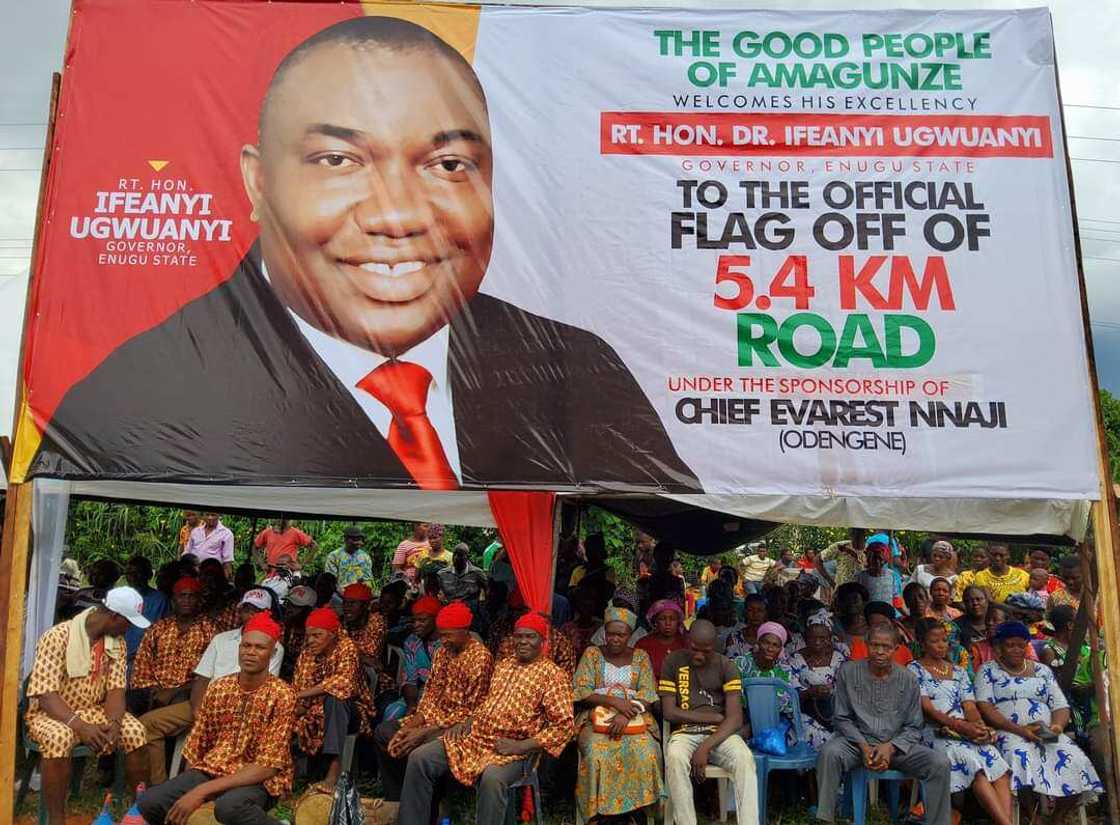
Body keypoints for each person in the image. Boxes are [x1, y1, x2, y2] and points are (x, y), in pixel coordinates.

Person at [31, 16, 701, 494]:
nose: (400, 215)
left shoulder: (574, 371)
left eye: (447, 163)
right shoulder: (135, 402)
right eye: (339, 160)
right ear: (258, 184)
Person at [398, 612, 574, 824]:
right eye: (519, 637)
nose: (523, 642)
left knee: (492, 778)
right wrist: (467, 723)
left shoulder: (554, 676)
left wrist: (521, 746)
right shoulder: (504, 666)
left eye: (530, 637)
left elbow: (563, 727)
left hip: (513, 749)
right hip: (476, 738)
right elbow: (487, 703)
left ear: (542, 641)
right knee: (420, 758)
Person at [138, 613, 296, 825]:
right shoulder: (220, 688)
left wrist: (201, 791)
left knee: (229, 808)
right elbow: (197, 746)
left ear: (273, 652)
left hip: (259, 779)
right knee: (151, 801)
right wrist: (188, 790)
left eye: (259, 648)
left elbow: (267, 767)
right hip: (213, 769)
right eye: (246, 646)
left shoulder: (282, 696)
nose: (250, 652)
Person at [26, 587, 150, 825]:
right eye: (128, 622)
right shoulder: (57, 636)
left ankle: (140, 810)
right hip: (50, 713)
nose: (130, 628)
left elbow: (115, 690)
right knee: (59, 737)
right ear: (114, 616)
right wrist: (80, 726)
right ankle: (56, 819)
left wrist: (114, 723)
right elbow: (46, 695)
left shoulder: (117, 642)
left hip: (93, 710)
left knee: (136, 731)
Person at [816, 624, 952, 825]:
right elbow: (841, 718)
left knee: (939, 763)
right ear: (866, 645)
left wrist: (890, 747)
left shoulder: (908, 679)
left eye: (886, 647)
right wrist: (863, 747)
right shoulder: (848, 671)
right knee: (829, 752)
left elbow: (914, 726)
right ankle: (825, 819)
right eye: (875, 645)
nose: (880, 651)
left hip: (896, 746)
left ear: (896, 649)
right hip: (856, 743)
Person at [371, 602, 492, 821]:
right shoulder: (442, 652)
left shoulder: (480, 658)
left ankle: (422, 812)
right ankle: (399, 801)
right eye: (442, 635)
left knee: (419, 749)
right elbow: (430, 695)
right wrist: (411, 725)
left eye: (448, 635)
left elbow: (471, 711)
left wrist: (425, 731)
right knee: (385, 733)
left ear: (464, 631)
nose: (443, 640)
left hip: (461, 728)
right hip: (434, 719)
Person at [976, 622, 1103, 823]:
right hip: (1009, 731)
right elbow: (985, 708)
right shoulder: (987, 671)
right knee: (1021, 757)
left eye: (1021, 645)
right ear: (999, 647)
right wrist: (1021, 730)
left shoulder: (1042, 671)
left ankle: (1055, 818)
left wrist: (1056, 728)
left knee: (1077, 761)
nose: (1017, 650)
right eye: (1010, 645)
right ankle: (1031, 812)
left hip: (1044, 731)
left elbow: (1060, 705)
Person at [909, 619, 1012, 825]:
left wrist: (980, 727)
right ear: (921, 643)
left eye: (944, 640)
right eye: (934, 641)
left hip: (965, 732)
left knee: (998, 766)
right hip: (934, 733)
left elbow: (970, 707)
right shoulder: (914, 670)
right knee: (975, 767)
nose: (941, 645)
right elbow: (927, 709)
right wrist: (960, 726)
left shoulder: (958, 671)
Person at [660, 619, 758, 825]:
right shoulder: (673, 661)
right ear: (687, 640)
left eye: (705, 651)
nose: (698, 655)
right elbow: (669, 712)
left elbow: (735, 718)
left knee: (744, 758)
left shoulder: (727, 666)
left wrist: (705, 747)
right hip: (684, 733)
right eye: (694, 649)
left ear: (715, 646)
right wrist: (711, 717)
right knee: (675, 758)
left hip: (720, 735)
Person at [572, 606, 661, 823]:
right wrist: (613, 701)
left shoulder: (640, 657)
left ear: (630, 635)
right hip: (596, 717)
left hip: (634, 717)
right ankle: (599, 814)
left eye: (621, 634)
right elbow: (581, 690)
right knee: (596, 753)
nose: (615, 639)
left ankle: (635, 812)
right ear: (604, 633)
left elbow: (648, 692)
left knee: (646, 751)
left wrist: (626, 713)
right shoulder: (592, 654)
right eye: (611, 633)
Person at [130, 578, 217, 776]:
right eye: (182, 596)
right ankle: (118, 769)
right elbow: (142, 665)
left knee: (171, 706)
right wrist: (154, 690)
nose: (186, 600)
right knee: (128, 706)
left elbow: (209, 676)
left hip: (188, 693)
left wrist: (176, 691)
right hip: (153, 689)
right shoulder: (158, 629)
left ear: (199, 600)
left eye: (192, 596)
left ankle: (161, 780)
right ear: (173, 600)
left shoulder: (210, 631)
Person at [292, 607, 375, 793]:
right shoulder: (307, 654)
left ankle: (334, 770)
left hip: (351, 712)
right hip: (315, 709)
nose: (310, 641)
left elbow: (342, 683)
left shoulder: (347, 648)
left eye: (317, 635)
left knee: (336, 698)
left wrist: (297, 695)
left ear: (332, 634)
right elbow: (299, 686)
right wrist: (293, 704)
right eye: (309, 636)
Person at [788, 618, 848, 750]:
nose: (817, 642)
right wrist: (810, 692)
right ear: (805, 638)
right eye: (812, 638)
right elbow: (789, 695)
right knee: (809, 732)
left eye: (823, 638)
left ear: (830, 638)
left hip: (835, 713)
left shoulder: (839, 658)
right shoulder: (795, 659)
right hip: (805, 713)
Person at [382, 595, 443, 722]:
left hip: (445, 698)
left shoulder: (447, 643)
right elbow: (410, 680)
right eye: (414, 621)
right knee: (392, 712)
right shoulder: (412, 642)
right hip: (420, 693)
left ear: (436, 619)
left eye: (422, 621)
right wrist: (411, 705)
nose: (416, 625)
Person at [339, 581, 387, 692]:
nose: (347, 608)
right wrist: (362, 657)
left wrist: (346, 651)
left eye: (352, 603)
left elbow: (371, 653)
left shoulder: (376, 621)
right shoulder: (342, 622)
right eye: (345, 603)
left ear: (366, 606)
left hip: (373, 680)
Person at [123, 555, 170, 663]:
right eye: (129, 573)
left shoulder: (160, 600)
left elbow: (165, 632)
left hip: (147, 659)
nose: (133, 577)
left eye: (138, 572)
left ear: (148, 575)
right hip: (122, 658)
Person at [636, 599, 688, 678]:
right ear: (655, 622)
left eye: (672, 619)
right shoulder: (643, 644)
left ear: (678, 621)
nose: (668, 623)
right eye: (662, 619)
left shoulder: (685, 643)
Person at [183, 513, 235, 579]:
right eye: (207, 515)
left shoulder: (226, 534)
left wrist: (226, 579)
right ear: (203, 516)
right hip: (192, 573)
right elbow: (187, 551)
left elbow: (227, 560)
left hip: (212, 575)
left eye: (213, 515)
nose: (210, 518)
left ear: (218, 515)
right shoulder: (196, 531)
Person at [322, 526, 374, 592]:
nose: (359, 543)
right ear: (346, 539)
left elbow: (368, 580)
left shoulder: (365, 557)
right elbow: (330, 581)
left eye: (360, 540)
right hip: (340, 594)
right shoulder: (334, 556)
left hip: (360, 594)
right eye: (355, 539)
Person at [854, 541, 901, 607]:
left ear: (885, 560)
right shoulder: (860, 577)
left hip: (887, 615)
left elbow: (896, 598)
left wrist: (905, 614)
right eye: (874, 558)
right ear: (868, 559)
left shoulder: (891, 575)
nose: (877, 562)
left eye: (880, 559)